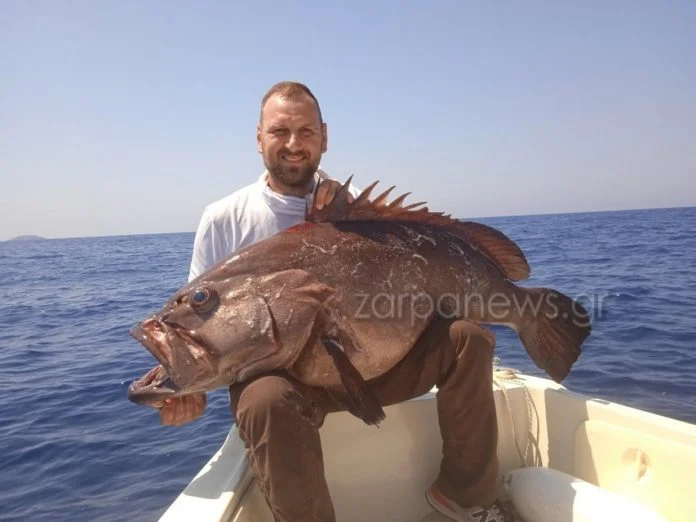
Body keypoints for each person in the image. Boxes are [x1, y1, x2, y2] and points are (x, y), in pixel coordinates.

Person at [155, 81, 522, 522]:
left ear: (324, 137)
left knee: (469, 339)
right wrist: (184, 384)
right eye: (279, 131)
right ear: (258, 138)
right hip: (291, 383)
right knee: (264, 401)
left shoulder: (351, 209)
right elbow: (200, 323)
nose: (294, 144)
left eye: (306, 132)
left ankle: (466, 497)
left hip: (377, 363)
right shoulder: (223, 219)